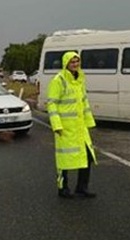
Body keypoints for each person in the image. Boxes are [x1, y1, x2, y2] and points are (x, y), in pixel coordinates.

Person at [46, 51, 97, 199]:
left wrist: (89, 122)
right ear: (66, 63)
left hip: (80, 128)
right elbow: (52, 104)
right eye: (72, 62)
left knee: (87, 157)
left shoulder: (80, 79)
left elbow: (84, 102)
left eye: (77, 62)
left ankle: (82, 187)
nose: (75, 64)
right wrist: (57, 125)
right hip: (65, 128)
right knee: (64, 159)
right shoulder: (59, 80)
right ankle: (63, 188)